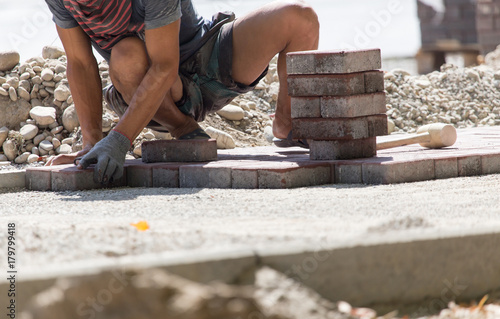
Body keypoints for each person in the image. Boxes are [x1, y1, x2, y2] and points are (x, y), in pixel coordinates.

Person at [45, 0, 319, 184]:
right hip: (152, 97)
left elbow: (166, 64)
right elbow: (80, 63)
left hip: (205, 56)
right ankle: (183, 129)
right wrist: (92, 144)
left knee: (300, 18)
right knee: (126, 55)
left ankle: (286, 123)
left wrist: (118, 141)